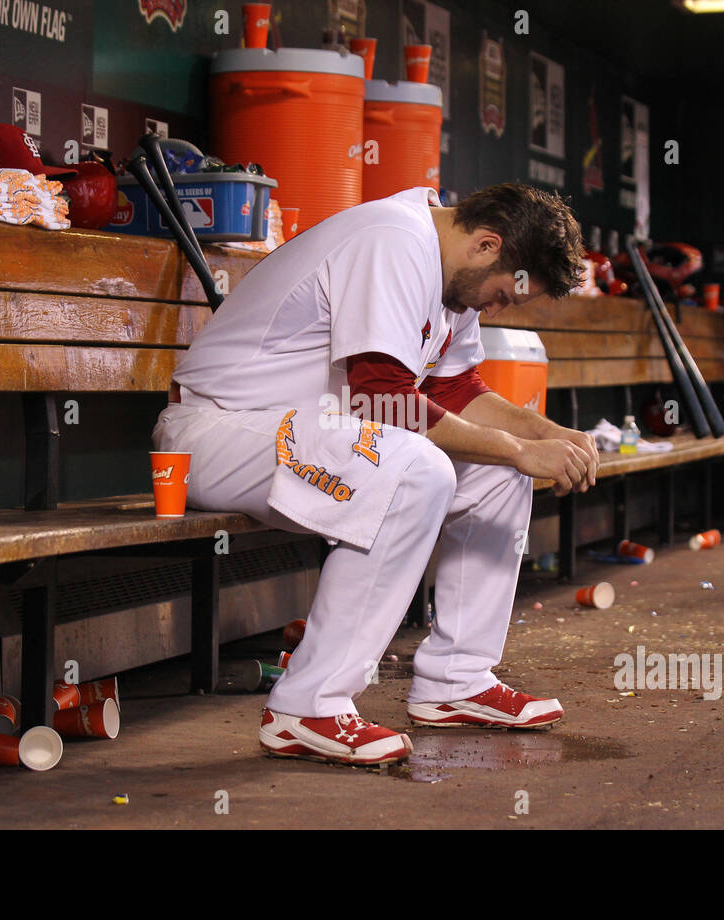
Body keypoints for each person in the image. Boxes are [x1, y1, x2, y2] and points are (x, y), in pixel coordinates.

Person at [152, 183, 598, 766]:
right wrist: (517, 447)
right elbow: (384, 400)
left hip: (314, 435)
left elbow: (454, 389)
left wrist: (545, 436)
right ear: (488, 245)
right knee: (418, 468)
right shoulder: (394, 239)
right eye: (504, 294)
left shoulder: (452, 279)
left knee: (495, 473)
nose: (498, 308)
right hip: (218, 435)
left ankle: (456, 681)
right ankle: (306, 707)